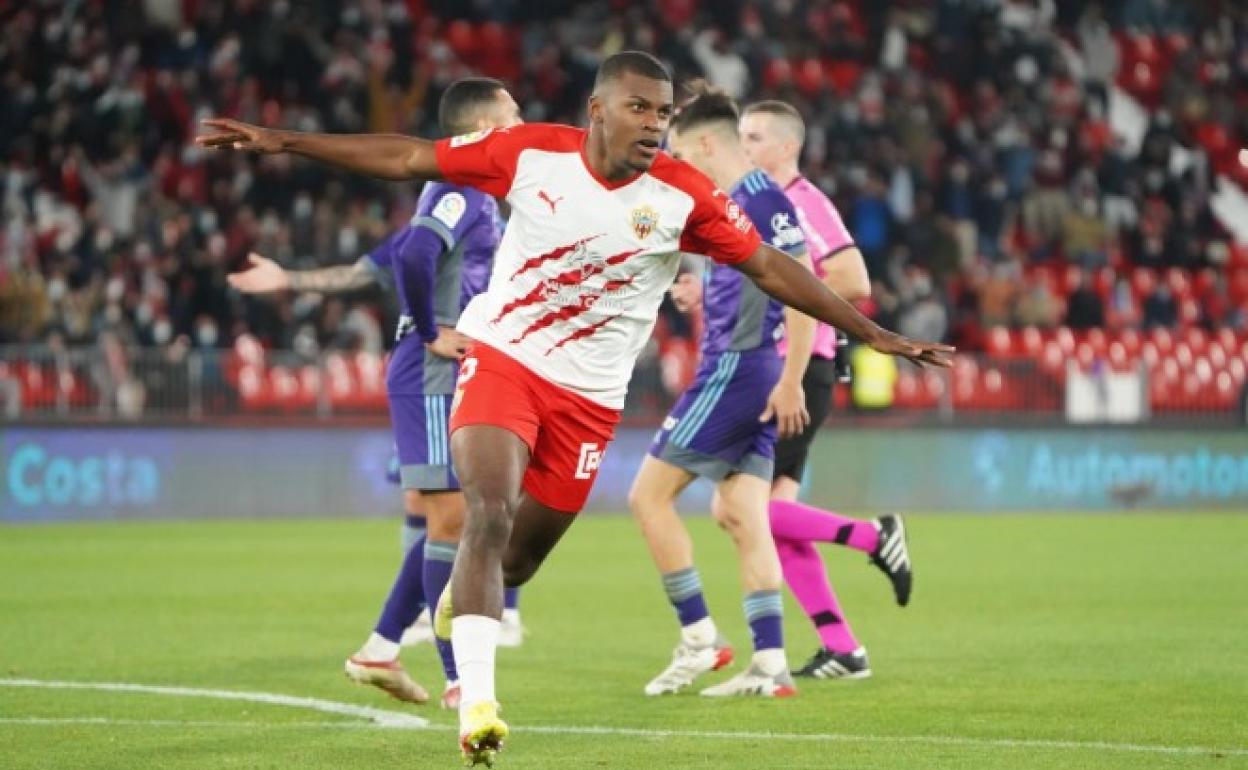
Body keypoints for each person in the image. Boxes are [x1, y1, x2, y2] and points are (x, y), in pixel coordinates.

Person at [195, 50, 952, 767]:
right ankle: (479, 706)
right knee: (485, 510)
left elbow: (769, 266)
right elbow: (407, 156)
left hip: (588, 402)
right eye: (638, 108)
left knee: (516, 555)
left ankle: (447, 612)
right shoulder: (529, 152)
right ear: (597, 109)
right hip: (505, 360)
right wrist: (283, 141)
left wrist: (872, 332)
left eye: (662, 112)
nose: (655, 123)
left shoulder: (683, 193)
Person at [225, 78, 527, 710]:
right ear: (483, 128)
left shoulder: (468, 197)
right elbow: (415, 255)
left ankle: (382, 649)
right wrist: (430, 329)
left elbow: (372, 267)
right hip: (434, 373)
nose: (521, 121)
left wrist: (289, 278)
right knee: (453, 518)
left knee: (455, 517)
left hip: (439, 372)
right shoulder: (459, 189)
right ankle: (456, 678)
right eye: (512, 114)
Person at [628, 86, 815, 699]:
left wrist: (792, 379)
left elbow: (804, 287)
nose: (678, 161)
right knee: (742, 514)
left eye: (682, 149)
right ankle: (770, 664)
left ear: (707, 144)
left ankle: (699, 638)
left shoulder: (762, 200)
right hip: (750, 366)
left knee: (647, 498)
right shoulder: (737, 199)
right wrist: (700, 290)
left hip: (737, 370)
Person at [740, 100, 913, 680]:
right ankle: (842, 646)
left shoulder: (800, 203)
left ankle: (872, 535)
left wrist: (779, 274)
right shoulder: (755, 202)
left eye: (755, 136)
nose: (744, 145)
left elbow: (854, 279)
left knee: (750, 510)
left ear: (788, 148)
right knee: (774, 515)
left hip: (800, 366)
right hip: (785, 364)